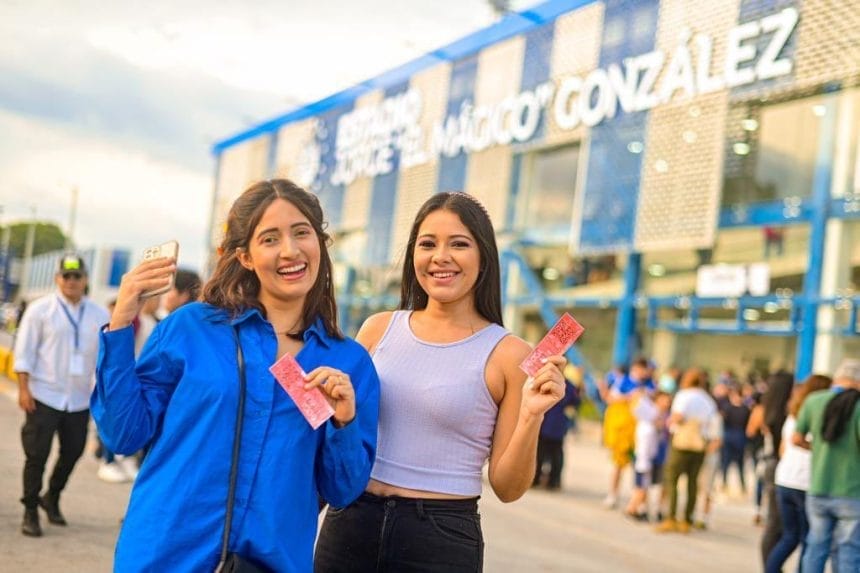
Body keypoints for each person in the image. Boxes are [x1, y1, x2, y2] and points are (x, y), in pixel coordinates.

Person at [92, 179, 380, 571]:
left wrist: (344, 422)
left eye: (301, 233)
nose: (290, 250)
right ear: (245, 256)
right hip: (166, 554)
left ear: (320, 242)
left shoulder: (349, 363)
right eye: (270, 239)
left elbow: (342, 490)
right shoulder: (191, 328)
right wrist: (121, 322)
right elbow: (123, 434)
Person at [314, 191, 567, 572]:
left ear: (484, 257)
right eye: (428, 244)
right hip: (350, 522)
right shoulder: (377, 329)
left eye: (459, 244)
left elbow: (508, 488)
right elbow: (337, 432)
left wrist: (532, 416)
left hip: (439, 539)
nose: (440, 257)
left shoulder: (509, 353)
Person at [13, 254, 110, 537]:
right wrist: (24, 389)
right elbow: (24, 352)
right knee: (36, 456)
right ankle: (30, 509)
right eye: (66, 276)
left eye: (76, 276)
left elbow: (103, 358)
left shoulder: (98, 314)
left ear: (85, 279)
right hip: (44, 395)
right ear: (57, 278)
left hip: (79, 400)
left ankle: (52, 496)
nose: (71, 281)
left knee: (73, 452)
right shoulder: (40, 310)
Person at [793, 359, 860, 573]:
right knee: (849, 549)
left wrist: (819, 450)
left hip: (818, 487)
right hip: (852, 491)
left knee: (816, 546)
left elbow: (796, 438)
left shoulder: (814, 400)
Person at [764, 374, 833, 573]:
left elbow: (783, 448)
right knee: (807, 539)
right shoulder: (818, 414)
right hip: (805, 481)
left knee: (789, 536)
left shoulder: (793, 414)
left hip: (785, 479)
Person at [656, 368, 718, 534]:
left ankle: (671, 517)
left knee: (672, 479)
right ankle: (687, 520)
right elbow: (712, 422)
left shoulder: (684, 396)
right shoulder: (708, 400)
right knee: (692, 482)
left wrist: (669, 422)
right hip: (700, 444)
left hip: (682, 442)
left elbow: (678, 416)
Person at [602, 357, 655, 509]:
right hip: (623, 429)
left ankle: (638, 500)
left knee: (640, 468)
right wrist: (630, 396)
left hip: (640, 432)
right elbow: (610, 399)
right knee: (618, 465)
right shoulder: (623, 381)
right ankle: (613, 494)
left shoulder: (649, 384)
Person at [533, 378, 580, 490]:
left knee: (541, 454)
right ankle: (553, 481)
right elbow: (576, 402)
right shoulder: (569, 385)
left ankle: (536, 479)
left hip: (546, 424)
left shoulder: (546, 381)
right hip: (558, 425)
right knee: (555, 455)